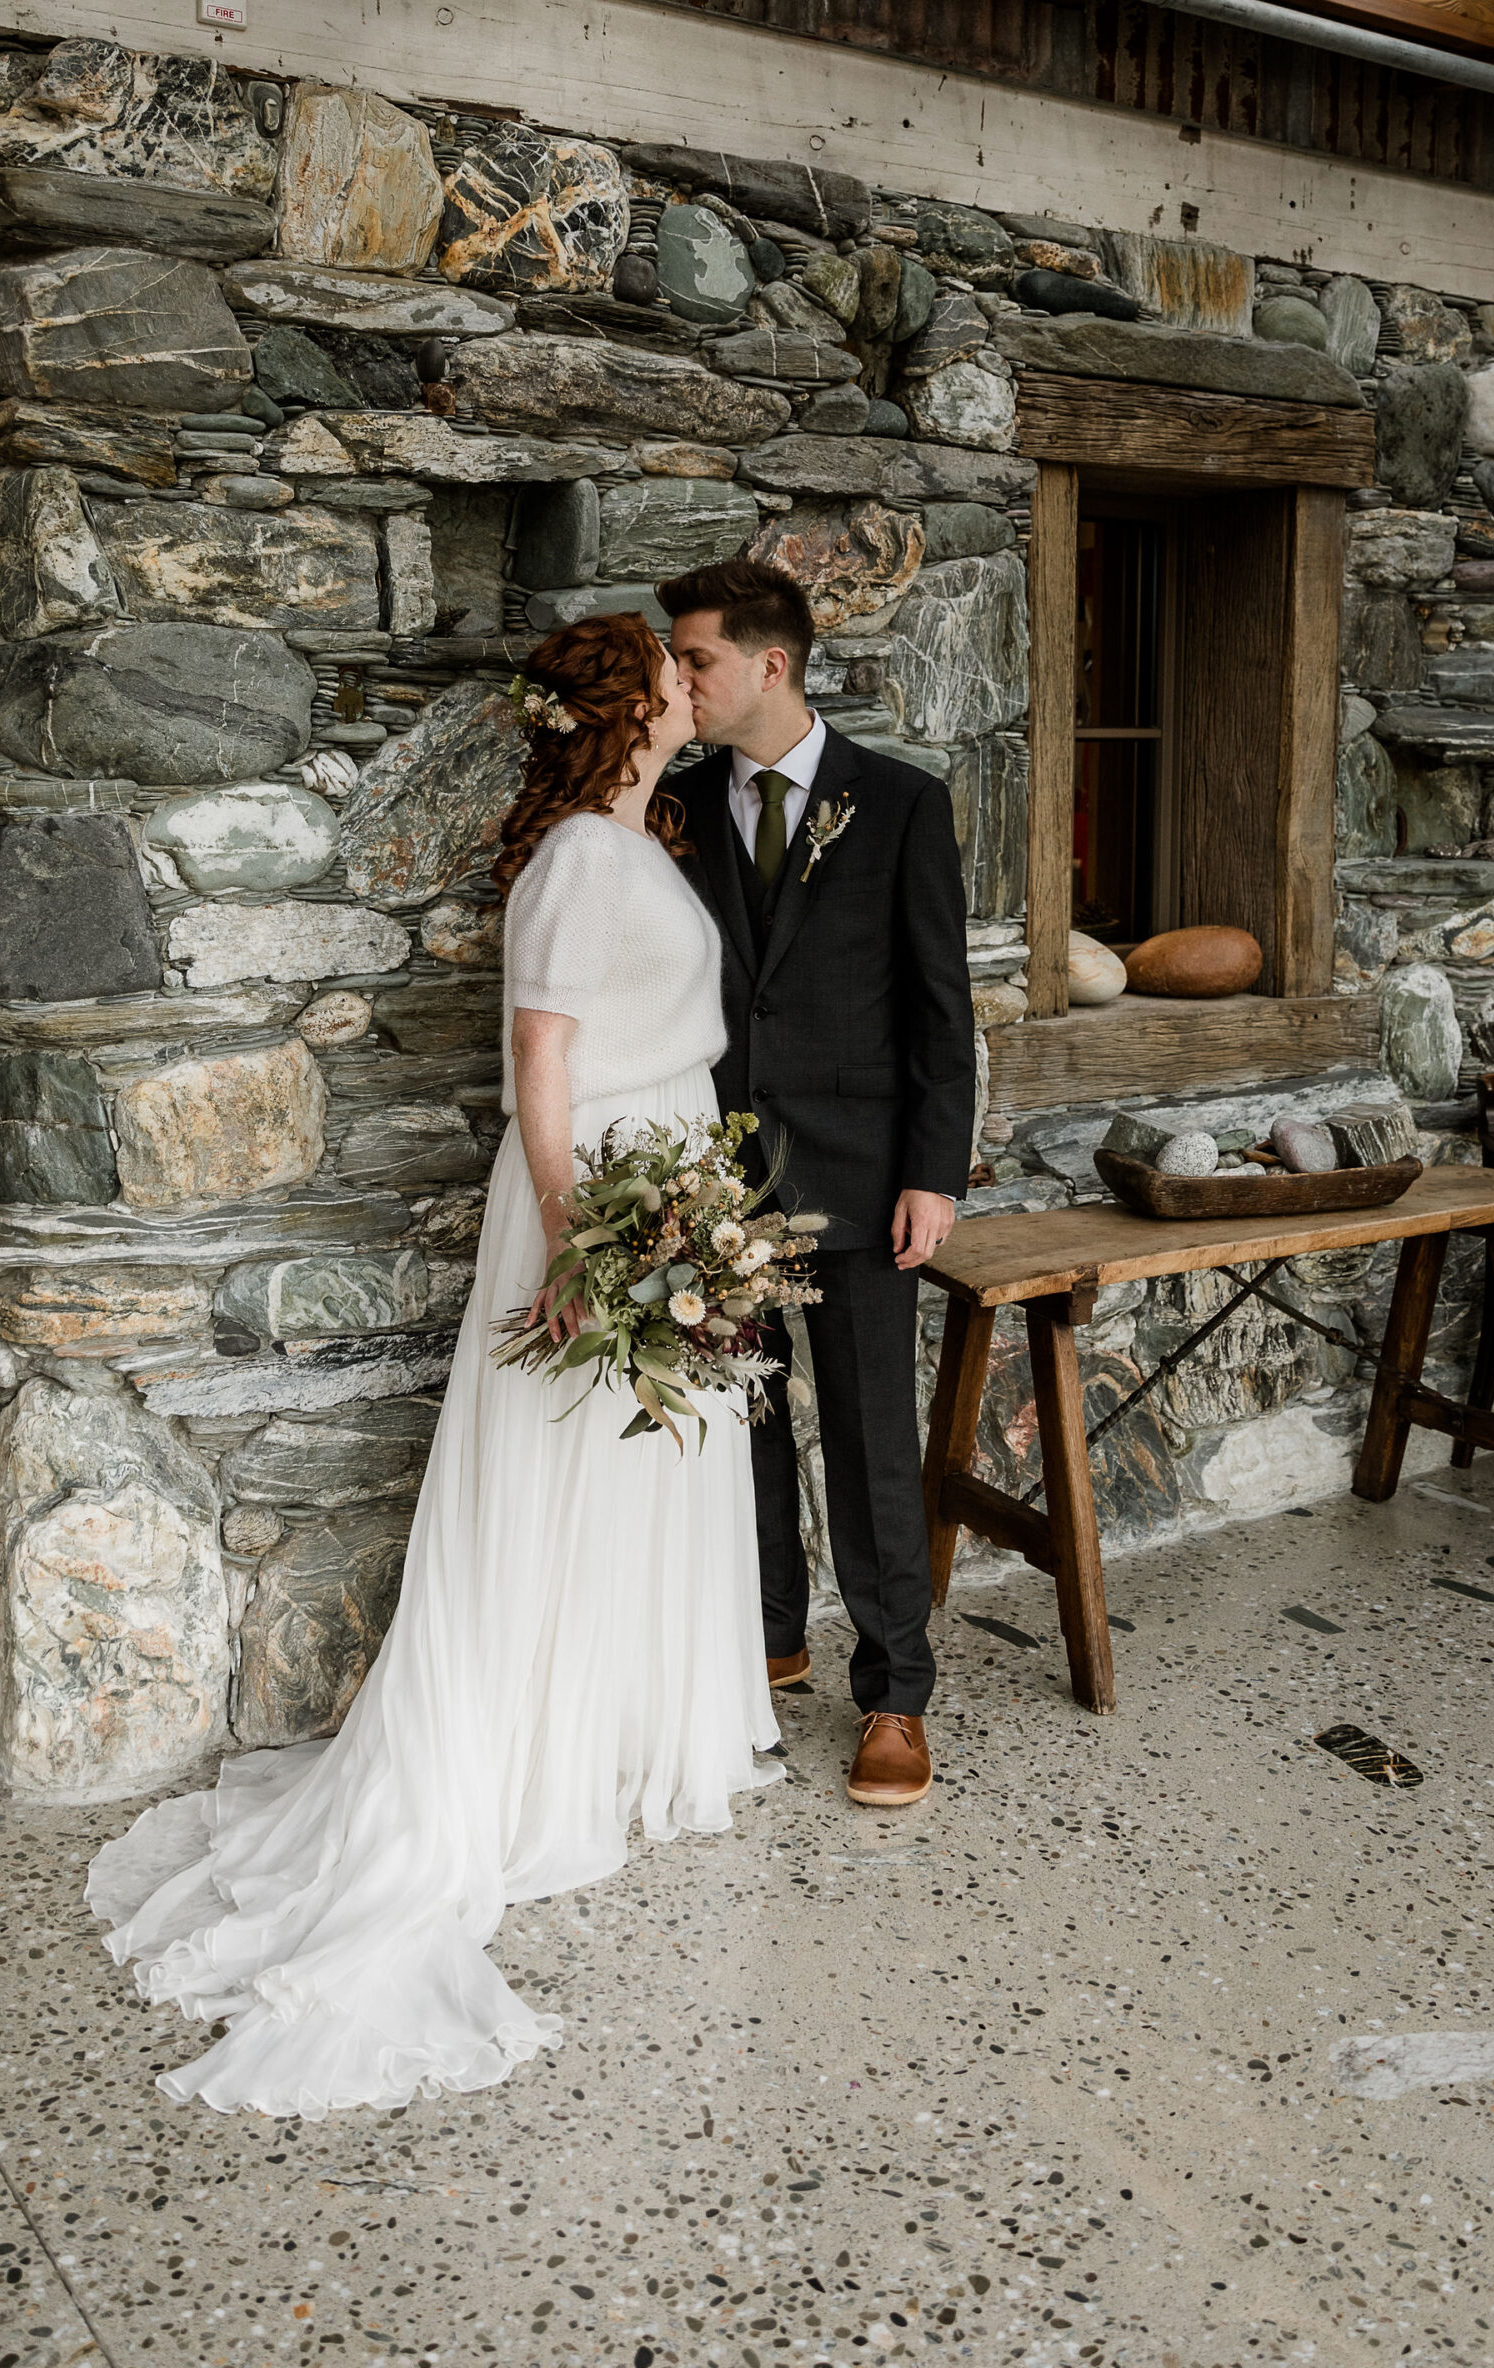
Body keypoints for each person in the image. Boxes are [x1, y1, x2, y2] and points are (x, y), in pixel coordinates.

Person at [85, 614, 783, 2118]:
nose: (687, 680)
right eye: (668, 669)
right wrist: (572, 1231)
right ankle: (532, 1760)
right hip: (595, 1180)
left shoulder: (637, 837)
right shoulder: (577, 864)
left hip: (663, 1158)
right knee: (567, 1470)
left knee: (640, 1467)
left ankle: (614, 1738)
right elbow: (542, 1055)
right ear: (627, 704)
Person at [661, 557, 975, 1809]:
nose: (680, 681)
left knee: (866, 1440)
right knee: (737, 1418)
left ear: (769, 664)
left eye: (696, 660)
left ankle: (896, 1693)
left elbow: (940, 1010)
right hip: (713, 1171)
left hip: (859, 1171)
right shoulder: (675, 799)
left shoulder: (897, 802)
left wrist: (932, 1175)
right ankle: (770, 1631)